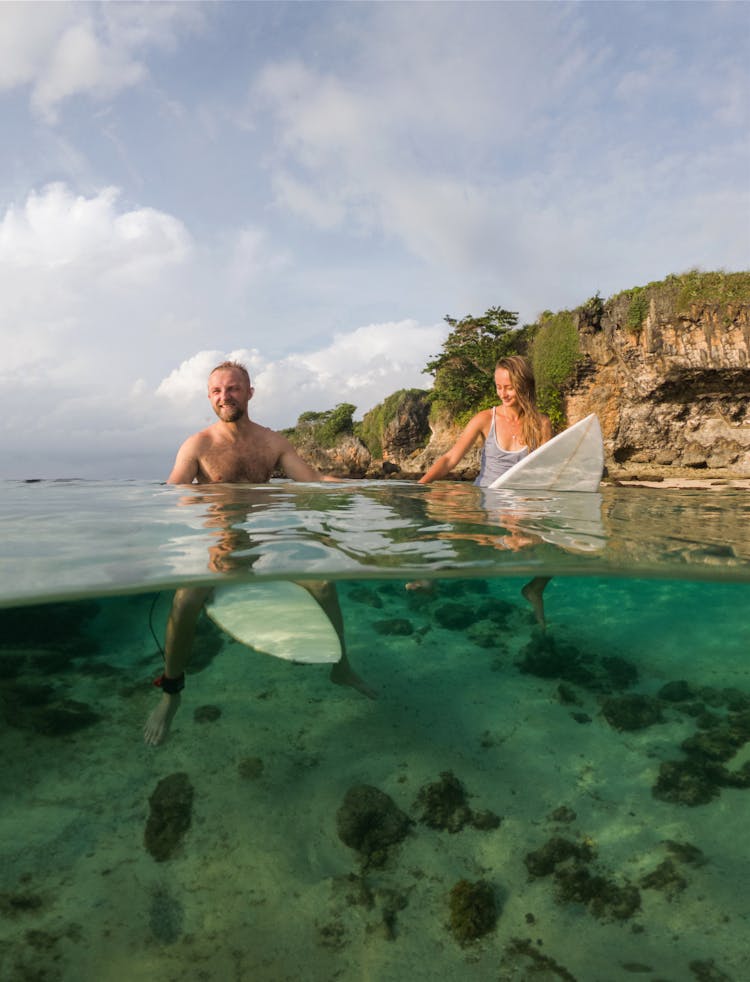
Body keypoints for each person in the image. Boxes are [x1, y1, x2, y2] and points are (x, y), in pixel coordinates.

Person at [143, 360, 374, 746]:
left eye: (233, 389)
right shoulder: (198, 445)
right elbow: (174, 493)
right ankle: (171, 691)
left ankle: (342, 667)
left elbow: (313, 482)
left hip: (264, 548)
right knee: (185, 599)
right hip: (216, 549)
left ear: (250, 392)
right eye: (217, 391)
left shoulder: (273, 443)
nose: (225, 397)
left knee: (322, 582)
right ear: (208, 397)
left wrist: (368, 491)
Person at [418, 355, 553, 626]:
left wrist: (530, 511)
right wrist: (419, 487)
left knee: (559, 541)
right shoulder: (485, 419)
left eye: (509, 387)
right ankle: (430, 577)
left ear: (524, 385)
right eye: (498, 386)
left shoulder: (541, 424)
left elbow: (546, 473)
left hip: (522, 504)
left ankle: (534, 588)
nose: (502, 393)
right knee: (465, 537)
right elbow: (450, 459)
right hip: (484, 502)